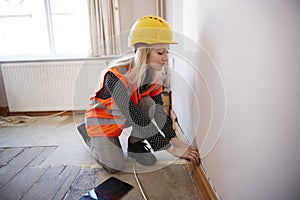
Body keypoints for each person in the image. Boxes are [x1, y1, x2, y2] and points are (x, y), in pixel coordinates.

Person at [78, 15, 200, 173]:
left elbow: (159, 112)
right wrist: (169, 148)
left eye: (167, 52)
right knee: (115, 166)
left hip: (120, 119)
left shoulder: (154, 76)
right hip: (101, 122)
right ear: (144, 52)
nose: (166, 58)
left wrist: (174, 139)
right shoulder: (115, 76)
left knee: (148, 103)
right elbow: (133, 114)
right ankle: (88, 135)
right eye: (160, 52)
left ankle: (135, 145)